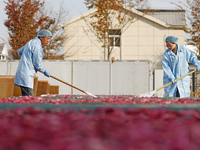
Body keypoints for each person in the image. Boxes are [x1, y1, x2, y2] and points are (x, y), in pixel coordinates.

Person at [14, 29, 52, 96]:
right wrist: (44, 71)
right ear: (41, 37)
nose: (48, 41)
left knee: (26, 97)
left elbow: (19, 51)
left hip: (23, 72)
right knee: (29, 99)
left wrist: (26, 60)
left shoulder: (31, 42)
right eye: (47, 38)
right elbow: (37, 64)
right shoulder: (37, 46)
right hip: (27, 75)